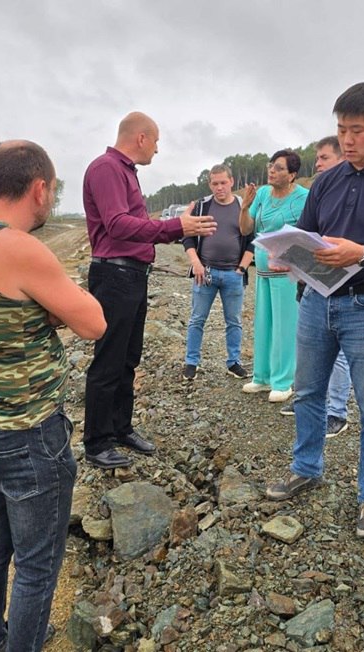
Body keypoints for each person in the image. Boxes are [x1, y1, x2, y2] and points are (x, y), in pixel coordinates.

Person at [0, 140, 107, 652]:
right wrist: (56, 305)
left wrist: (43, 307)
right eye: (51, 192)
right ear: (39, 188)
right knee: (36, 566)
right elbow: (94, 322)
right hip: (29, 433)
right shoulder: (18, 246)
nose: (50, 202)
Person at [265, 82, 364, 543]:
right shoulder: (328, 181)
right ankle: (306, 468)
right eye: (341, 130)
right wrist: (290, 257)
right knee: (309, 392)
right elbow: (311, 236)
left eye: (357, 130)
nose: (348, 140)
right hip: (317, 302)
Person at [82, 112, 216, 469]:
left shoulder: (124, 172)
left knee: (128, 357)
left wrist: (175, 228)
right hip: (115, 276)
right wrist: (175, 226)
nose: (157, 149)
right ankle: (96, 441)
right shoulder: (106, 168)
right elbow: (118, 225)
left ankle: (120, 428)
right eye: (155, 141)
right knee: (109, 359)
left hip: (132, 276)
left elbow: (135, 224)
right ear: (140, 138)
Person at [280, 137, 351, 439]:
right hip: (314, 285)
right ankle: (310, 402)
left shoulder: (352, 194)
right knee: (313, 350)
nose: (317, 164)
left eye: (323, 158)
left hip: (348, 290)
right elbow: (307, 232)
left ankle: (337, 411)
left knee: (340, 355)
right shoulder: (320, 192)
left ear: (342, 158)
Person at [238, 149, 309, 403]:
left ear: (292, 175)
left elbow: (310, 233)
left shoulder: (304, 197)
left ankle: (284, 381)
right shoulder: (264, 194)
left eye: (279, 168)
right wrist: (245, 208)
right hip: (264, 269)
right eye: (271, 166)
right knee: (264, 323)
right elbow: (247, 229)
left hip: (287, 271)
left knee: (285, 326)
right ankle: (262, 376)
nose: (272, 171)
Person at [181, 163, 254, 381]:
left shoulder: (243, 206)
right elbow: (187, 237)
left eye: (223, 182)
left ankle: (233, 362)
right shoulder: (202, 207)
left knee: (234, 321)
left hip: (234, 274)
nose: (220, 187)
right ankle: (191, 363)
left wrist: (242, 267)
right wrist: (196, 263)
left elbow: (252, 240)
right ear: (209, 184)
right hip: (206, 273)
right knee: (197, 319)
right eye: (215, 183)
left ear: (232, 182)